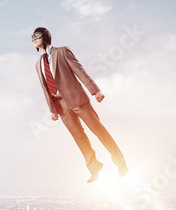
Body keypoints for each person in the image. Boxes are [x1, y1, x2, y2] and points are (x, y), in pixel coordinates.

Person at [32, 27, 127, 183]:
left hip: (77, 99)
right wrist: (52, 110)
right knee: (79, 138)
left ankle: (120, 162)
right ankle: (94, 167)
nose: (33, 39)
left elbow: (79, 70)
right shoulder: (38, 64)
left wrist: (95, 90)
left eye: (36, 35)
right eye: (32, 38)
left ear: (45, 36)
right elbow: (45, 88)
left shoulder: (62, 52)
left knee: (98, 130)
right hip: (61, 106)